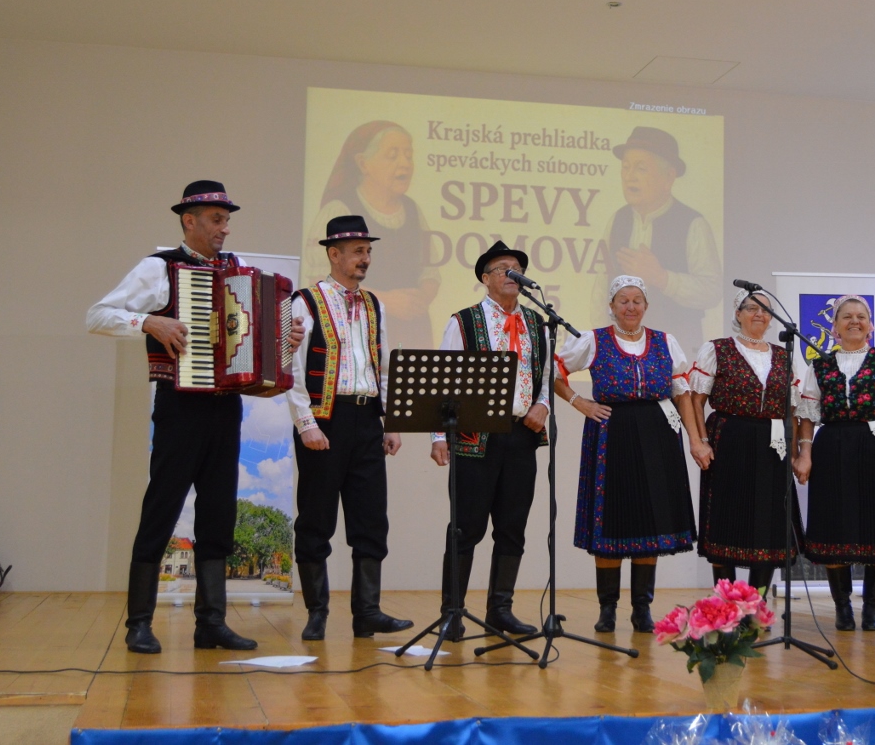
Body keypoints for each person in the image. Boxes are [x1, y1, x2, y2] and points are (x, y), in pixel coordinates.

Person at [86, 181, 304, 654]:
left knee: (219, 514)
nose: (225, 228)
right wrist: (148, 321)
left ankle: (211, 623)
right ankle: (138, 624)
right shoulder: (160, 267)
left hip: (226, 407)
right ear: (189, 221)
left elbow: (257, 341)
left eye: (227, 220)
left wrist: (285, 337)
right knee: (161, 509)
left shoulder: (238, 273)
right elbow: (97, 315)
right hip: (180, 406)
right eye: (216, 219)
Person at [287, 215, 413, 642]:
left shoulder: (374, 304)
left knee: (371, 519)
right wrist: (306, 423)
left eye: (368, 251)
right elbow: (293, 368)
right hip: (326, 419)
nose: (366, 258)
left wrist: (391, 420)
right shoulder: (305, 301)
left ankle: (367, 612)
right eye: (358, 251)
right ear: (334, 254)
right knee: (316, 518)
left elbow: (384, 364)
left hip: (366, 419)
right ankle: (317, 612)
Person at [553, 275, 699, 633]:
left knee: (649, 519)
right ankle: (607, 609)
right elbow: (552, 371)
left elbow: (681, 391)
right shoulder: (593, 339)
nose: (630, 307)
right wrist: (579, 402)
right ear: (611, 306)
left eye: (637, 301)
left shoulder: (665, 341)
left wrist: (695, 438)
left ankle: (641, 608)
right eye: (623, 300)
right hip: (610, 434)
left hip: (658, 433)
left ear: (646, 306)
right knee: (611, 518)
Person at [429, 240, 550, 639]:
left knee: (513, 527)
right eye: (503, 268)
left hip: (521, 435)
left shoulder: (537, 323)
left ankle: (500, 610)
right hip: (474, 436)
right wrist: (438, 435)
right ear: (485, 278)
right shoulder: (464, 321)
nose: (511, 274)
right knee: (465, 527)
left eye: (517, 269)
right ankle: (452, 612)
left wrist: (543, 405)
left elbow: (545, 375)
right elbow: (443, 382)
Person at [793, 295, 875, 632]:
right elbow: (808, 415)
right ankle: (842, 607)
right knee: (835, 525)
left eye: (861, 316)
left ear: (870, 325)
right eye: (846, 316)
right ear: (834, 327)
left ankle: (872, 607)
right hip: (832, 449)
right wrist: (805, 453)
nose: (854, 321)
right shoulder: (819, 366)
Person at [687, 290, 797, 597]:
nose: (759, 314)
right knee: (726, 518)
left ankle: (754, 604)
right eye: (751, 308)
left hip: (772, 443)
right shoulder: (717, 349)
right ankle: (726, 604)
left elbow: (792, 409)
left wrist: (796, 453)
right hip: (729, 438)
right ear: (738, 313)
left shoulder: (784, 355)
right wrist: (701, 441)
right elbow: (695, 401)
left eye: (765, 309)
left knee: (768, 521)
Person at [305, 121, 439, 349]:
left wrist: (417, 303)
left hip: (411, 334)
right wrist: (386, 302)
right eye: (393, 155)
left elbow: (430, 271)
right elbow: (319, 281)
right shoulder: (339, 210)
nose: (404, 163)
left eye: (408, 155)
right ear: (363, 163)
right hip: (357, 331)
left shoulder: (413, 210)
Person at [593, 126, 721, 355]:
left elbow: (712, 291)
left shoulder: (692, 223)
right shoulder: (617, 220)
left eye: (641, 168)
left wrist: (661, 278)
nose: (630, 176)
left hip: (677, 351)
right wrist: (598, 343)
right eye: (626, 167)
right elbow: (601, 287)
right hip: (621, 350)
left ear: (668, 177)